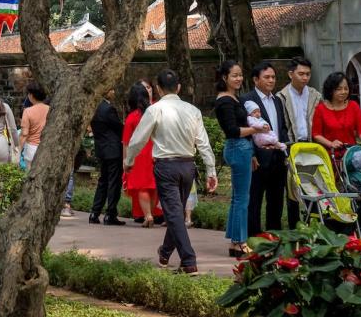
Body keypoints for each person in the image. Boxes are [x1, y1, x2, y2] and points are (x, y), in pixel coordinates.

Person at [125, 69, 217, 276]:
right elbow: (203, 142)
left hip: (166, 166)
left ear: (158, 89)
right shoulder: (193, 110)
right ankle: (165, 253)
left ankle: (188, 261)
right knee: (176, 213)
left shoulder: (155, 109)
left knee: (174, 213)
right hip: (188, 166)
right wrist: (211, 170)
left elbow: (138, 139)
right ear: (179, 87)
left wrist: (129, 161)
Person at [213, 60, 267, 258]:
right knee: (242, 199)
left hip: (243, 149)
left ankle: (236, 241)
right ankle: (241, 242)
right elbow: (232, 131)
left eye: (240, 74)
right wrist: (257, 128)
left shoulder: (233, 98)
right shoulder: (225, 101)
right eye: (234, 75)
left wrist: (252, 152)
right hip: (237, 148)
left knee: (239, 198)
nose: (239, 78)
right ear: (225, 77)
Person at [243, 61, 293, 233]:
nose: (271, 80)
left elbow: (282, 127)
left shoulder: (277, 100)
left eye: (273, 77)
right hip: (258, 158)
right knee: (254, 200)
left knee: (276, 200)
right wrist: (251, 154)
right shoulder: (247, 100)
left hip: (278, 158)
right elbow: (245, 132)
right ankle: (254, 238)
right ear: (256, 80)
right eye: (267, 77)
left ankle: (275, 236)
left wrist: (285, 149)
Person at [122, 82, 161, 228]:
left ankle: (148, 215)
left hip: (138, 155)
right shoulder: (154, 113)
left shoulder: (131, 117)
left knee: (142, 187)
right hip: (155, 153)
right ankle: (152, 212)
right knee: (153, 186)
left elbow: (126, 142)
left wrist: (125, 160)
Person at [89, 88, 126, 226]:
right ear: (106, 91)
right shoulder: (109, 109)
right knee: (114, 182)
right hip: (113, 149)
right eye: (111, 89)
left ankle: (94, 212)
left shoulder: (94, 108)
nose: (114, 92)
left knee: (103, 181)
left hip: (101, 149)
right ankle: (110, 214)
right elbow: (119, 128)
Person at [312, 71, 361, 155]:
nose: (343, 92)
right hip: (329, 155)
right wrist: (331, 143)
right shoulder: (320, 109)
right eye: (338, 89)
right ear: (330, 90)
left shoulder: (353, 106)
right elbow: (316, 134)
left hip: (351, 155)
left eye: (346, 88)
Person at [276, 56, 321, 144]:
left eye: (308, 74)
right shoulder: (281, 97)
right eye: (301, 74)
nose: (305, 78)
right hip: (291, 144)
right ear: (290, 74)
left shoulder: (316, 96)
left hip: (313, 143)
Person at [19, 81, 49, 168]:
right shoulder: (50, 109)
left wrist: (19, 151)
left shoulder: (28, 111)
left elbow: (24, 134)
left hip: (31, 149)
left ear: (31, 95)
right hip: (46, 147)